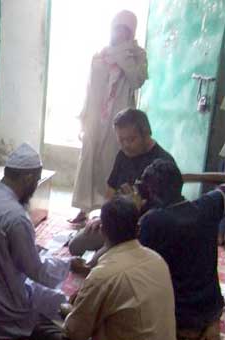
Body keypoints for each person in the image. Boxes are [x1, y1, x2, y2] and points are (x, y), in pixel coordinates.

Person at [31, 197, 177, 340]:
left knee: (38, 331)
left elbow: (76, 334)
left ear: (103, 230)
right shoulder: (156, 259)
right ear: (137, 228)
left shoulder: (104, 274)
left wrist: (69, 309)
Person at [0, 143, 89, 338]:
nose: (35, 187)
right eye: (36, 181)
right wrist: (67, 265)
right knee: (58, 300)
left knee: (46, 287)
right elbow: (37, 272)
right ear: (28, 178)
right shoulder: (16, 217)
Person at [71, 10, 148, 224]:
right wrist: (83, 116)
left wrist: (123, 55)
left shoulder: (137, 55)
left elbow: (136, 81)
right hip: (95, 117)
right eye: (117, 28)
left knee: (112, 162)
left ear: (132, 31)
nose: (120, 33)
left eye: (125, 29)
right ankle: (82, 208)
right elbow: (89, 87)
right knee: (87, 160)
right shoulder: (101, 54)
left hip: (119, 118)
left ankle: (110, 211)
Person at [138, 159, 225, 340]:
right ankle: (210, 321)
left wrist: (133, 209)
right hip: (209, 304)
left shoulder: (153, 221)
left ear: (151, 193)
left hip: (179, 311)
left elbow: (131, 261)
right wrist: (193, 177)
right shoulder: (208, 205)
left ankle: (183, 330)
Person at [68, 108, 175, 259]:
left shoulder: (162, 162)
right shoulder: (123, 155)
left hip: (146, 230)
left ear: (146, 134)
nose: (125, 145)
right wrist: (103, 218)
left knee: (102, 262)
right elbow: (110, 192)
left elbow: (166, 212)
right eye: (120, 140)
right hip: (118, 224)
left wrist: (138, 209)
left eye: (131, 139)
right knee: (76, 245)